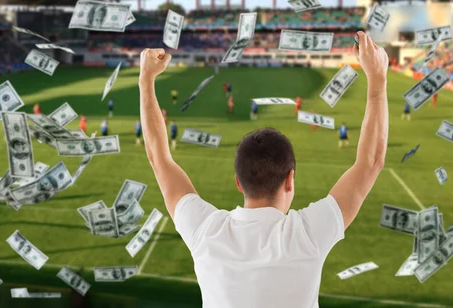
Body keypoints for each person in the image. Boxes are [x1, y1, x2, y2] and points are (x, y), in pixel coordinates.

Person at [136, 31, 388, 307]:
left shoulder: (206, 232)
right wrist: (377, 79)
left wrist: (146, 80)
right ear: (289, 180)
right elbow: (370, 162)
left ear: (238, 182)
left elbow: (158, 158)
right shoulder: (306, 235)